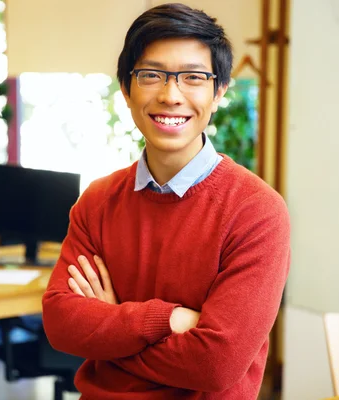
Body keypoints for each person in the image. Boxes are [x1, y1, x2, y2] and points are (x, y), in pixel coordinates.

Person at [42, 3, 290, 399]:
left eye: (192, 77)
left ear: (219, 90)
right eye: (152, 75)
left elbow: (215, 364)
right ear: (126, 88)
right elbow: (60, 324)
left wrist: (111, 328)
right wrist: (165, 319)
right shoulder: (98, 200)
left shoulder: (256, 210)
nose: (171, 95)